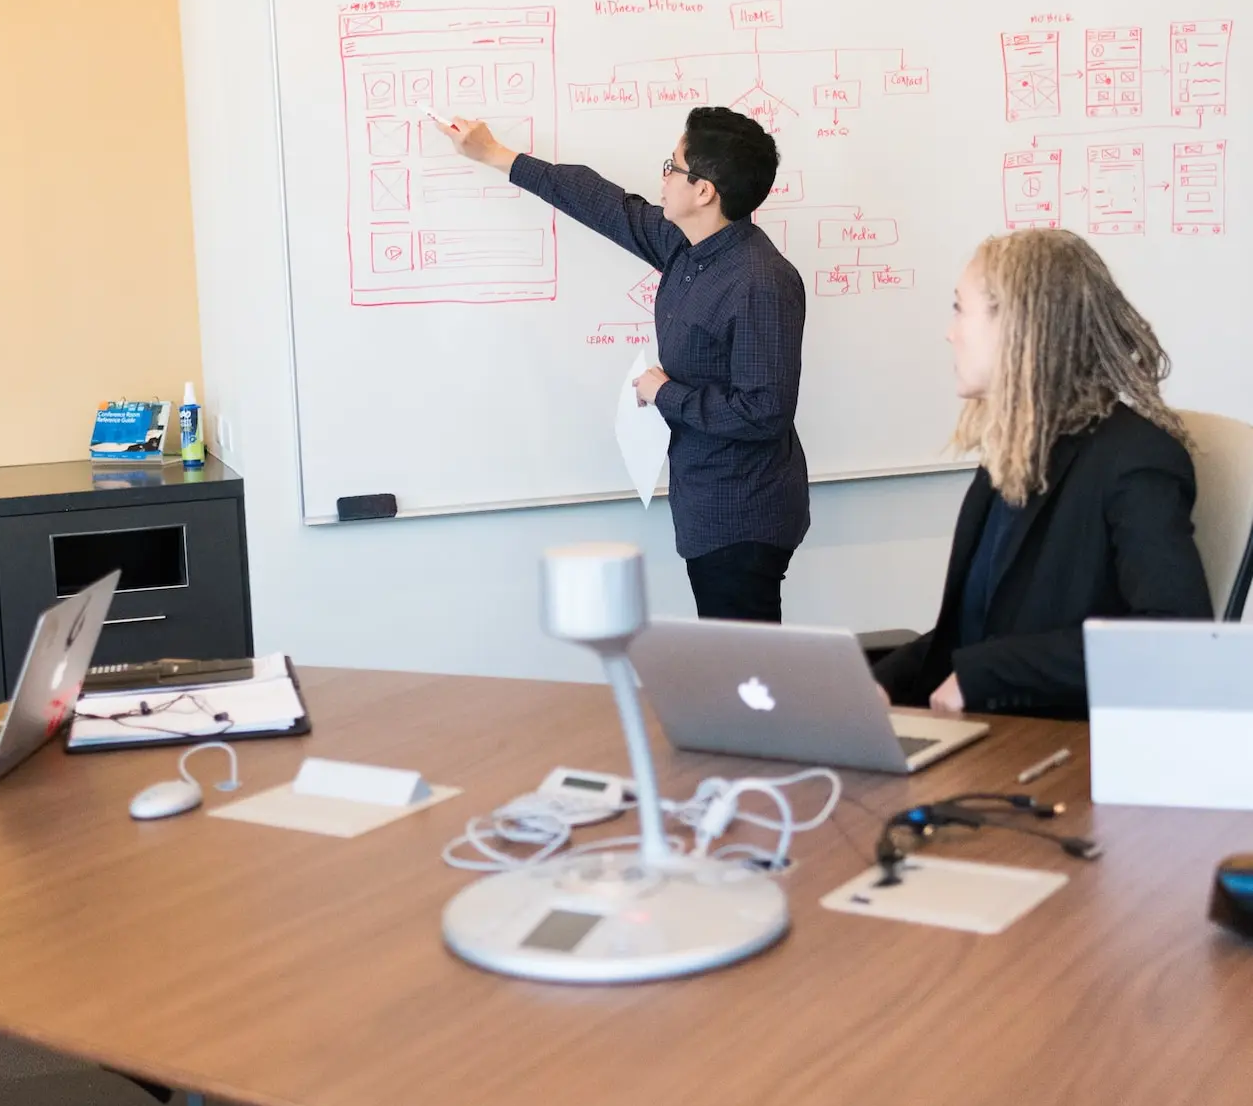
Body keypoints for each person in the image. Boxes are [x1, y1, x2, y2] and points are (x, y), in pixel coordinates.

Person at [443, 105, 808, 622]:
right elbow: (603, 203)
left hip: (743, 513)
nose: (662, 178)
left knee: (746, 673)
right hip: (707, 501)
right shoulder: (689, 249)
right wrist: (496, 155)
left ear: (704, 191)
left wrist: (666, 393)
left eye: (672, 166)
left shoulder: (759, 281)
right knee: (732, 663)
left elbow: (763, 411)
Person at [874, 229, 1211, 719]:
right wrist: (875, 686)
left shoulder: (1135, 459)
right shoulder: (1012, 456)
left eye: (959, 309)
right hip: (998, 734)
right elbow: (970, 633)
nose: (950, 332)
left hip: (1066, 748)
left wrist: (986, 674)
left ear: (1019, 325)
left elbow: (1175, 637)